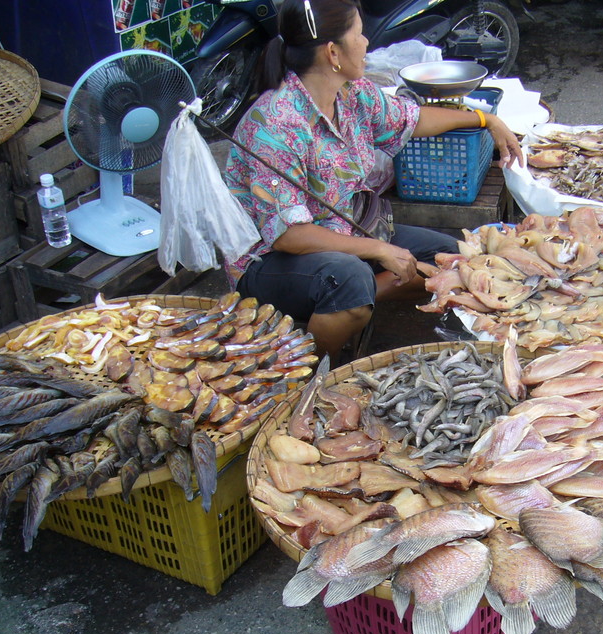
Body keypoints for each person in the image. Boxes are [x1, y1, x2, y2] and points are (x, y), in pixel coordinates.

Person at [224, 0, 525, 362]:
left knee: (450, 257)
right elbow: (290, 235)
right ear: (333, 52)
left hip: (346, 232)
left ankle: (356, 298)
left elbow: (411, 120)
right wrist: (381, 251)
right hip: (270, 262)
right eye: (359, 34)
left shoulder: (352, 94)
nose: (366, 43)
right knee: (350, 280)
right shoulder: (275, 125)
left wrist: (483, 120)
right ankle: (308, 371)